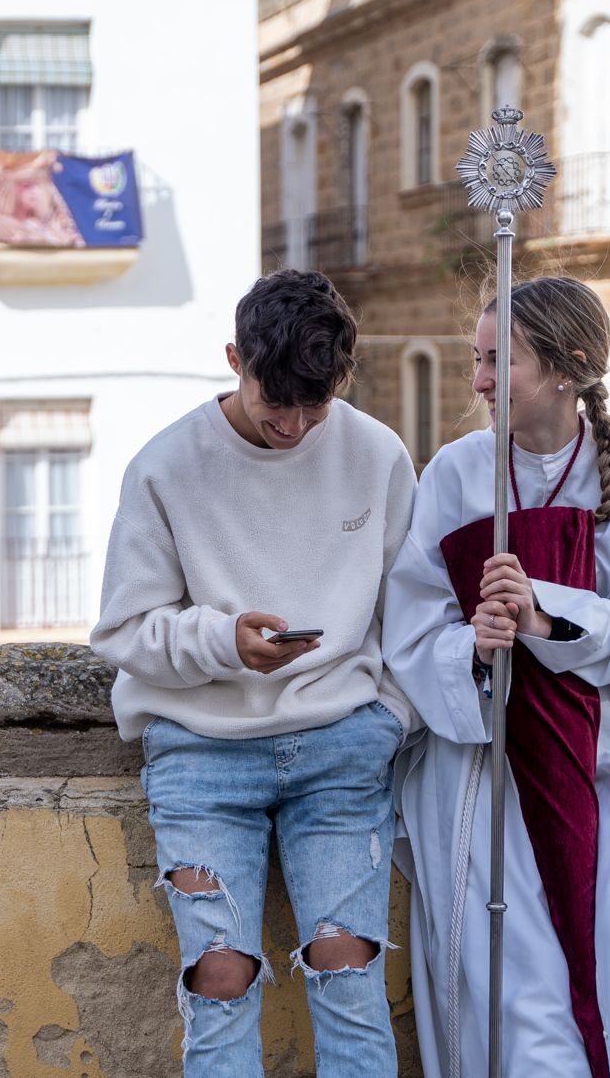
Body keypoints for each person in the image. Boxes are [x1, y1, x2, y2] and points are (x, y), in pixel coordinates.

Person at [382, 276, 610, 1078]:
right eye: (473, 360)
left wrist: (544, 615)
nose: (475, 382)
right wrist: (472, 646)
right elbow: (409, 622)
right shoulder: (453, 472)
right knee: (516, 964)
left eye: (495, 361)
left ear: (565, 367)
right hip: (490, 749)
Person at [91, 269, 416, 1077]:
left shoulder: (376, 453)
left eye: (319, 405)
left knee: (349, 974)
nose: (298, 427)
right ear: (234, 358)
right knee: (220, 977)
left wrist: (390, 718)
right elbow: (123, 630)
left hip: (340, 750)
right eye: (280, 405)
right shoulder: (164, 466)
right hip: (201, 759)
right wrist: (222, 642)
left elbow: (414, 608)